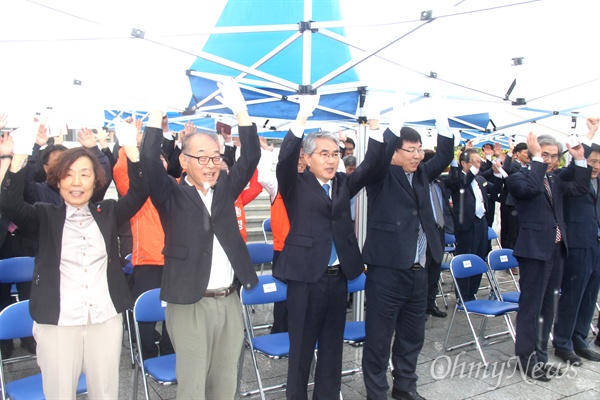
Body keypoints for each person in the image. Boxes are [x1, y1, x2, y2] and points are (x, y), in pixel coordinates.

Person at [0, 119, 148, 399]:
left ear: (96, 180)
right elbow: (9, 203)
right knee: (59, 393)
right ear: (57, 180)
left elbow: (141, 191)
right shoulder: (44, 215)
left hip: (104, 319)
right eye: (68, 175)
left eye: (85, 174)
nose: (77, 182)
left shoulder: (109, 212)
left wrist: (131, 148)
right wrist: (19, 152)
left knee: (105, 392)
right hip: (57, 322)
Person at [139, 78, 260, 399]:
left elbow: (250, 157)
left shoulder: (225, 190)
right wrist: (157, 108)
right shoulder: (171, 195)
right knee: (192, 384)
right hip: (189, 302)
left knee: (225, 382)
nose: (210, 165)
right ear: (184, 161)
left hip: (229, 300)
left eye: (216, 157)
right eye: (201, 157)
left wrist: (240, 110)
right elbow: (149, 161)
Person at [275, 95, 387, 400]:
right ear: (308, 158)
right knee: (300, 349)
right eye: (323, 154)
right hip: (305, 279)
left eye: (335, 153)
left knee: (331, 348)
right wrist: (302, 116)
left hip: (337, 278)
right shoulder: (295, 184)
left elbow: (372, 166)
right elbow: (285, 159)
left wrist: (374, 123)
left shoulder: (342, 183)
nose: (331, 159)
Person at [361, 101, 454, 400]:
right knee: (378, 338)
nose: (417, 155)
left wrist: (442, 116)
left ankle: (405, 387)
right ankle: (377, 393)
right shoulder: (380, 174)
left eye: (419, 149)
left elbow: (446, 154)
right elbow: (379, 153)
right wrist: (395, 117)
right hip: (387, 271)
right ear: (395, 152)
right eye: (410, 150)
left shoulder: (424, 174)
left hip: (420, 271)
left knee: (413, 336)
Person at [506, 132, 590, 382]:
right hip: (533, 251)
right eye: (545, 155)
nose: (551, 160)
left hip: (556, 249)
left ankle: (541, 357)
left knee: (547, 308)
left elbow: (581, 187)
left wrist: (580, 160)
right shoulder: (518, 178)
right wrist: (535, 160)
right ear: (534, 154)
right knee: (531, 308)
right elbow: (531, 188)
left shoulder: (554, 180)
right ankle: (527, 359)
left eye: (554, 156)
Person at [552, 117, 600, 365]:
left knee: (591, 294)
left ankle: (580, 338)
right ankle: (563, 342)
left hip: (596, 244)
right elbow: (578, 162)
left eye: (599, 163)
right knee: (573, 294)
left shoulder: (598, 181)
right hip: (577, 245)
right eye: (592, 161)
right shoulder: (568, 177)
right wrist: (590, 134)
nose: (595, 166)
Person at [447, 147, 504, 301]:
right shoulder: (458, 178)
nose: (478, 165)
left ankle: (472, 292)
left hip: (481, 222)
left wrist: (497, 173)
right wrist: (472, 169)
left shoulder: (480, 179)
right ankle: (462, 295)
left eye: (479, 161)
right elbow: (463, 185)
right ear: (464, 163)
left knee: (479, 256)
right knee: (467, 259)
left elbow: (496, 189)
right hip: (466, 225)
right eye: (474, 161)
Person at [422, 150, 450, 318]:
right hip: (425, 231)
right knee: (423, 270)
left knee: (435, 269)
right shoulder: (419, 182)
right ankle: (419, 307)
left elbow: (456, 180)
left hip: (439, 229)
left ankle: (430, 304)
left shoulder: (439, 181)